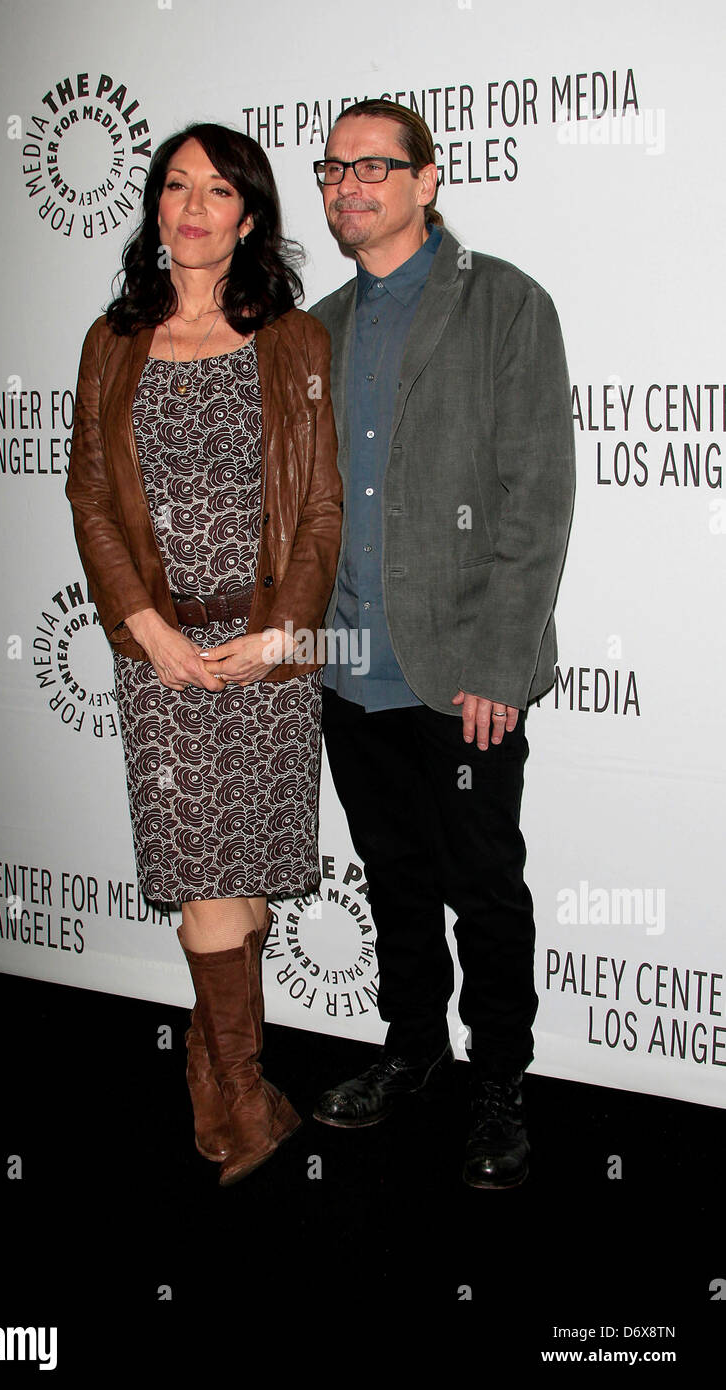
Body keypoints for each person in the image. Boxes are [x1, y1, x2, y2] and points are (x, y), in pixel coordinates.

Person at [65, 123, 342, 1187]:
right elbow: (90, 495)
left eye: (216, 190)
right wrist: (141, 625)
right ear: (155, 208)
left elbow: (319, 505)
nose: (190, 206)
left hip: (267, 650)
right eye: (173, 186)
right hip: (159, 652)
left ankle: (225, 1075)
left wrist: (285, 629)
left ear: (249, 216)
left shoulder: (293, 341)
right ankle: (232, 1110)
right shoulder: (111, 340)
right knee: (203, 886)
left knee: (249, 889)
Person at [309, 99, 575, 1188]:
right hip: (349, 669)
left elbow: (536, 498)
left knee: (483, 884)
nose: (347, 185)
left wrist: (496, 667)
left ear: (428, 179)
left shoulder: (504, 303)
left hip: (465, 674)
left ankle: (498, 1083)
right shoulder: (314, 326)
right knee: (393, 880)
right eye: (331, 169)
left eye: (373, 166)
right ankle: (411, 1049)